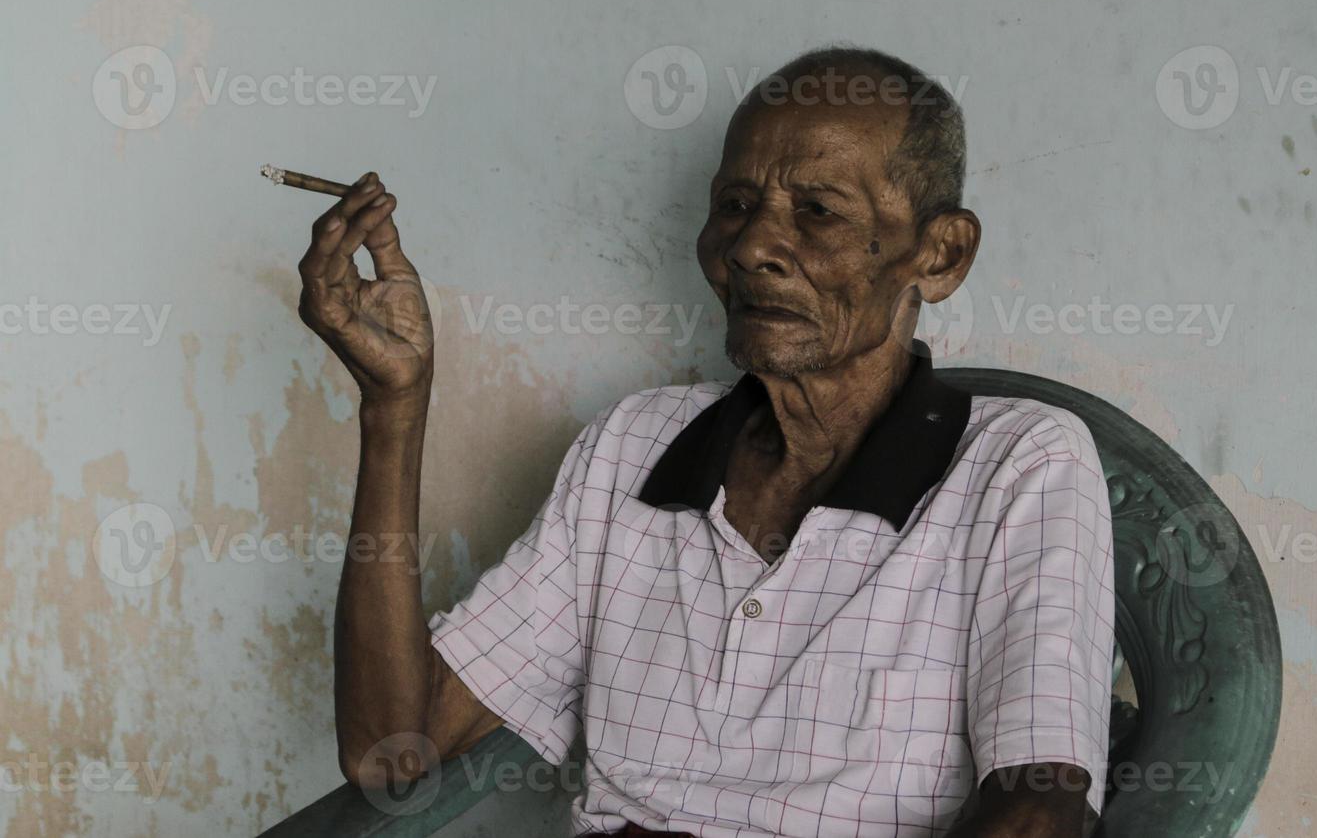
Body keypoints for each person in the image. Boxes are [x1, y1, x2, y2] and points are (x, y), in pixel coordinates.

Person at [298, 46, 1115, 837]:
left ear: (940, 255)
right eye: (734, 205)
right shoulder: (635, 443)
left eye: (818, 212)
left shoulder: (1021, 465)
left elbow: (1037, 815)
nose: (752, 246)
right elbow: (390, 755)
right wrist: (394, 406)